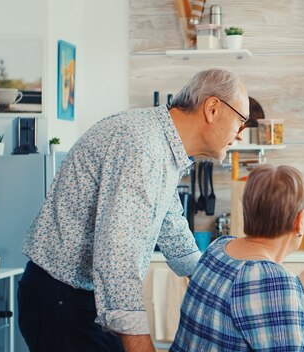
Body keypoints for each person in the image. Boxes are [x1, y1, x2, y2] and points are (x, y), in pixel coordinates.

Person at [18, 68, 252, 352]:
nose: (240, 135)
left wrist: (214, 283)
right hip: (62, 302)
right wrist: (141, 345)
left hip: (82, 300)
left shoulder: (162, 145)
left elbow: (171, 224)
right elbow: (117, 253)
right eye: (241, 122)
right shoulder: (143, 147)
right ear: (212, 108)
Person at [169, 164, 304, 352]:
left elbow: (238, 300)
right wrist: (288, 287)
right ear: (299, 222)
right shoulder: (275, 282)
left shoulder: (218, 248)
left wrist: (300, 285)